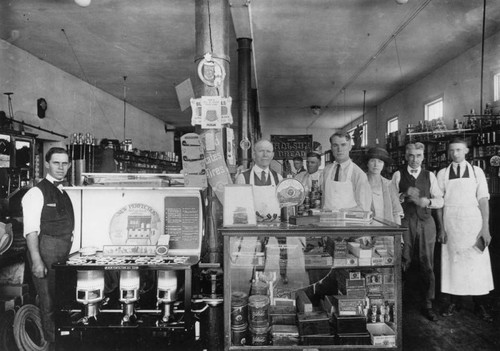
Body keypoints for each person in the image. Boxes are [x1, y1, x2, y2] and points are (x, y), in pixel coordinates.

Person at [436, 138, 494, 322]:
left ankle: (480, 305)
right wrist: (441, 229)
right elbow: (438, 203)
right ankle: (455, 302)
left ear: (466, 151)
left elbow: (483, 200)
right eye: (452, 150)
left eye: (459, 150)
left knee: (477, 264)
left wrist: (485, 228)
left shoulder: (477, 172)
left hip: (473, 224)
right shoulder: (443, 173)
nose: (455, 154)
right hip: (451, 224)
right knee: (453, 263)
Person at [22, 147, 74, 347]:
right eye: (56, 163)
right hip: (46, 252)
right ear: (46, 164)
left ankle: (63, 342)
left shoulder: (65, 191)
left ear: (69, 165)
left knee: (62, 300)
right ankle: (52, 344)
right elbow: (31, 230)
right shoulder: (36, 192)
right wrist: (36, 260)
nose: (60, 167)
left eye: (64, 163)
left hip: (64, 254)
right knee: (48, 303)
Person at [391, 142, 443, 321]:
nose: (414, 159)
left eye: (418, 155)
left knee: (427, 264)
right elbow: (391, 200)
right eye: (411, 155)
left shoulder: (430, 176)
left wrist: (426, 202)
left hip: (426, 222)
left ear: (423, 157)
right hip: (405, 222)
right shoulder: (398, 175)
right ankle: (397, 304)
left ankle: (428, 304)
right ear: (406, 156)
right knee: (403, 260)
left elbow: (440, 200)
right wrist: (403, 195)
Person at [322, 132, 372, 211]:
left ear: (350, 147)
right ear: (331, 148)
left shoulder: (358, 174)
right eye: (335, 145)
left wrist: (341, 213)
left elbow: (363, 207)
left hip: (348, 221)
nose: (339, 149)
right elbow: (324, 201)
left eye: (343, 145)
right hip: (327, 221)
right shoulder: (326, 170)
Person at [235, 139, 283, 219]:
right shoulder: (243, 178)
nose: (265, 155)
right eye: (261, 151)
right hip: (252, 229)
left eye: (268, 151)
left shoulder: (278, 178)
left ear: (272, 155)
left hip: (275, 228)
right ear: (254, 155)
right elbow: (238, 208)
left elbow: (284, 205)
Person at [365, 147, 403, 224]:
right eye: (372, 161)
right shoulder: (360, 182)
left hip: (386, 229)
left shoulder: (389, 184)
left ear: (383, 164)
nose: (376, 165)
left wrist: (398, 234)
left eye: (380, 161)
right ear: (367, 163)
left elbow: (397, 212)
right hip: (364, 229)